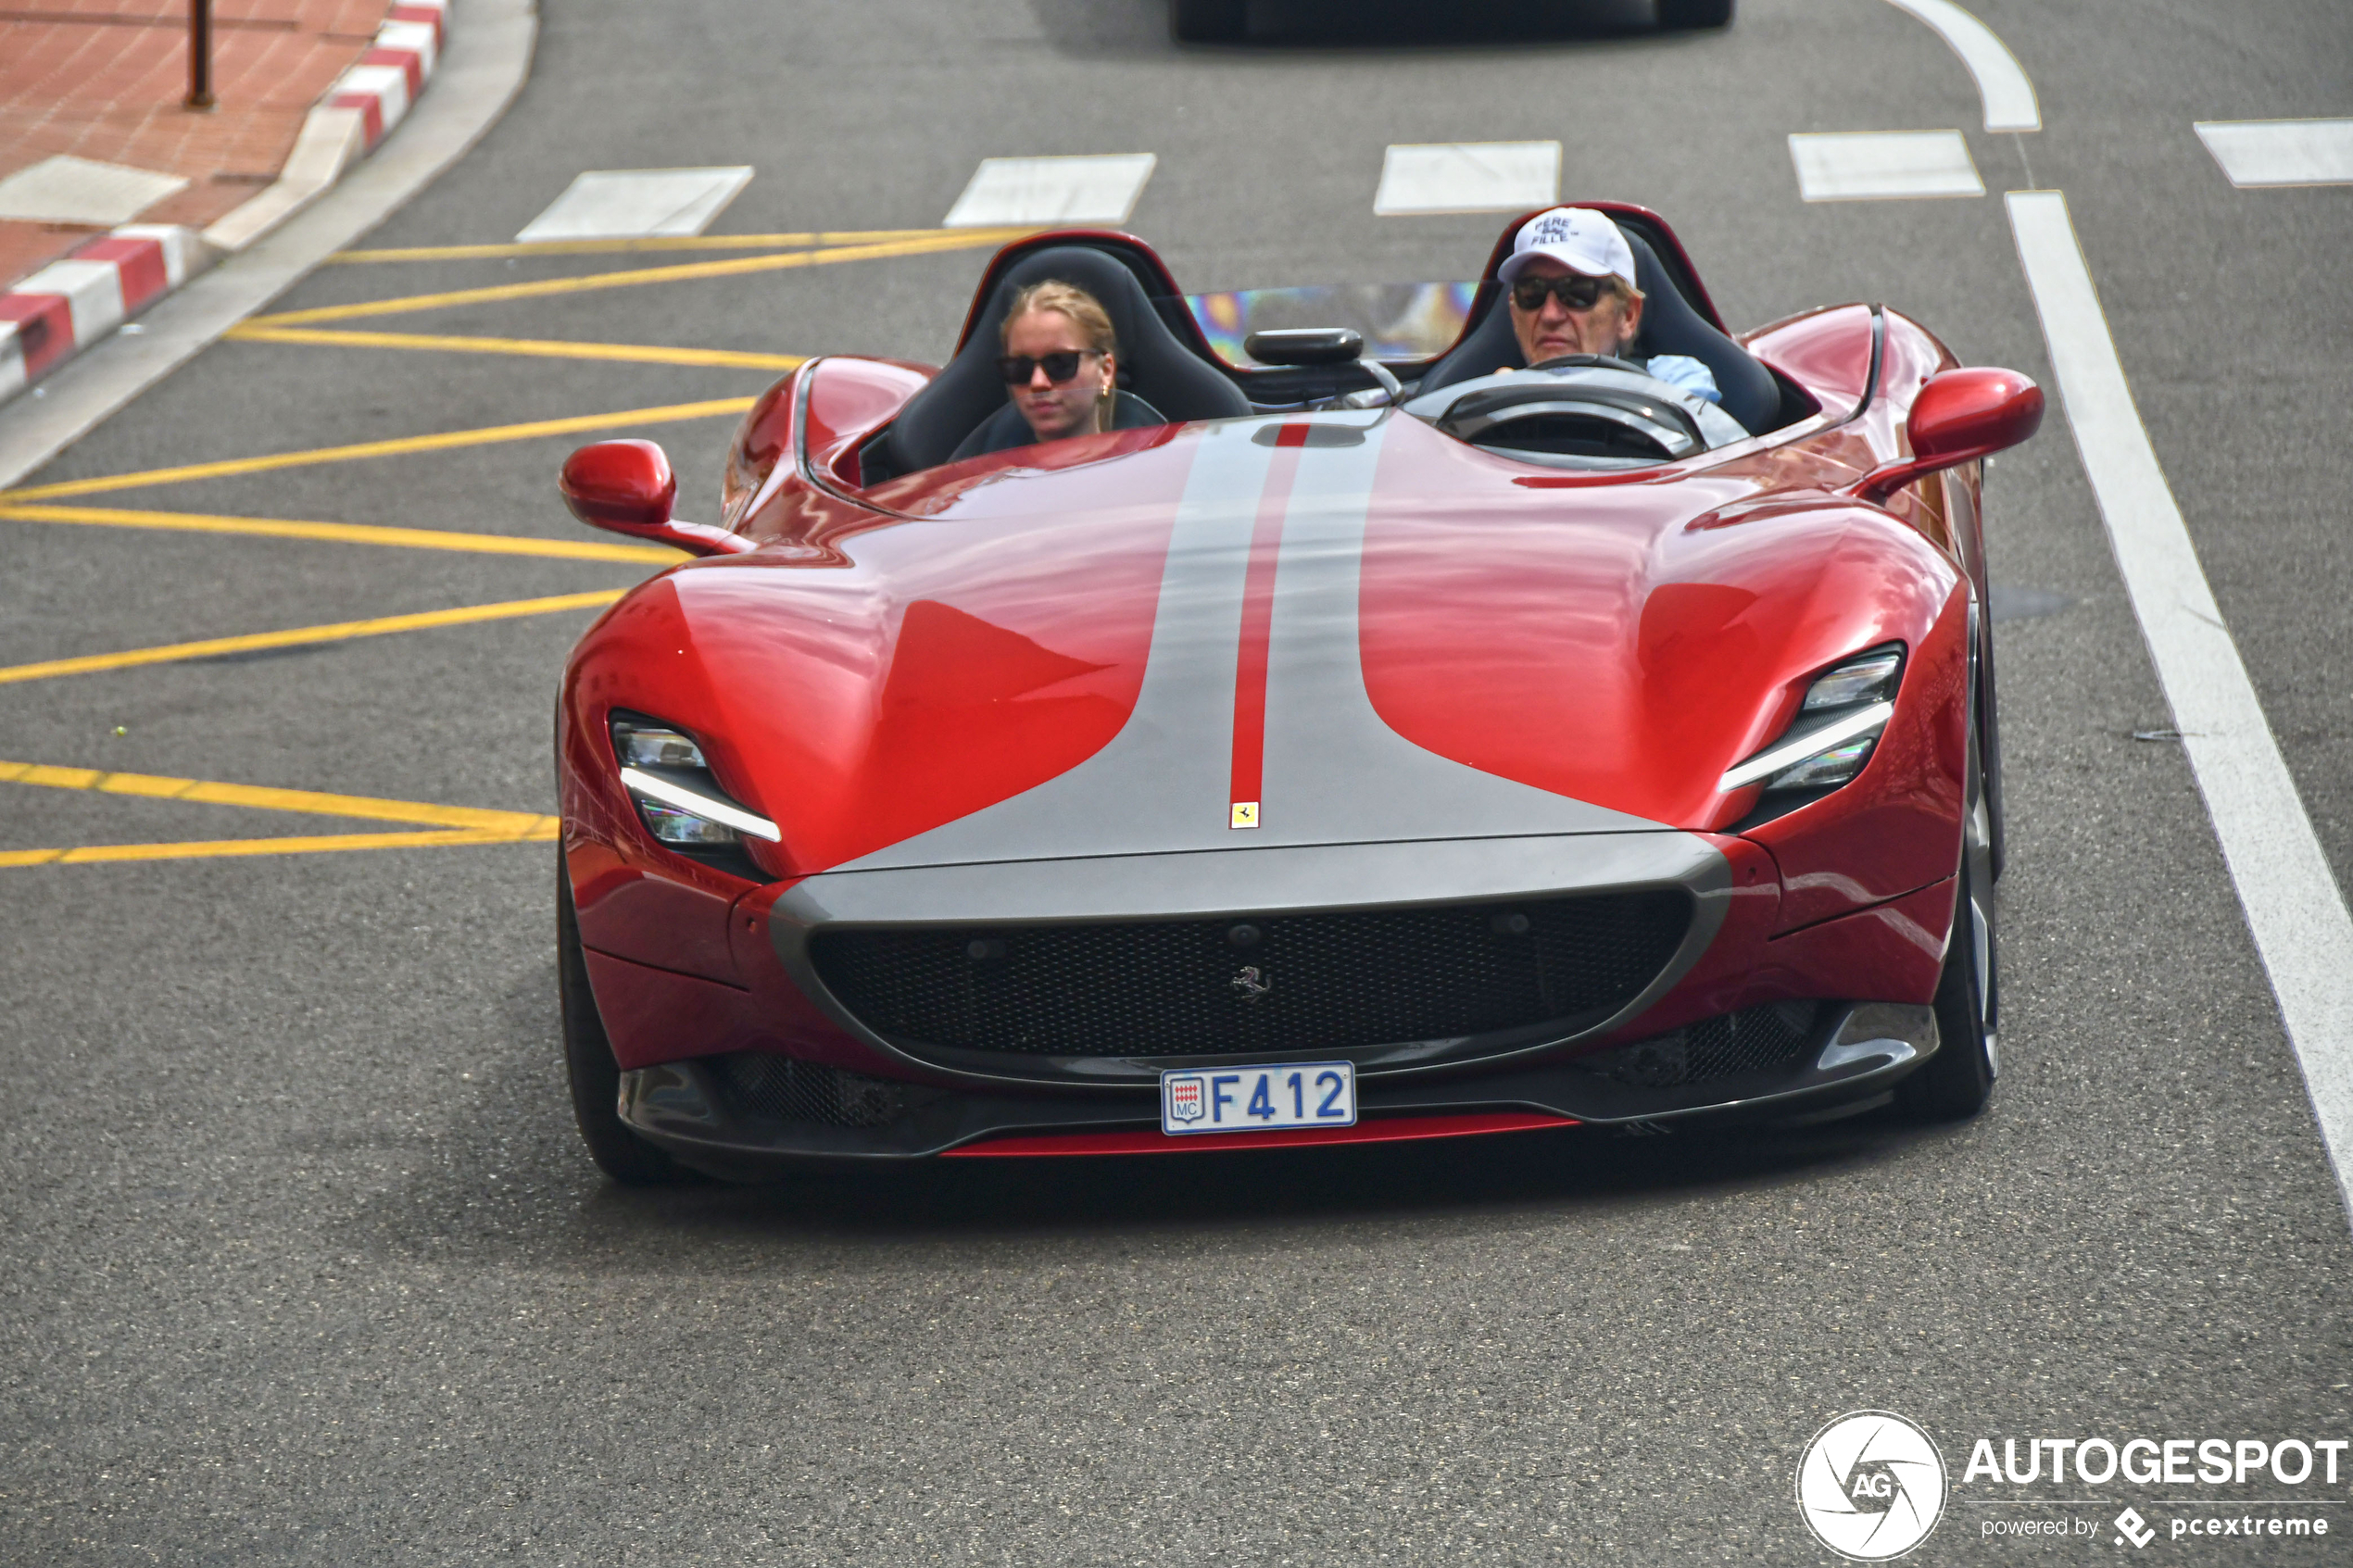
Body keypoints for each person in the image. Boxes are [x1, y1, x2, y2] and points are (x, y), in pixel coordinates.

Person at [1497, 207, 1722, 406]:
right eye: (1532, 293)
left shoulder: (1675, 381)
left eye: (1577, 293)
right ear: (1514, 315)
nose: (1550, 315)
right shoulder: (1486, 398)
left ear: (1628, 315)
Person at [950, 280, 1166, 461]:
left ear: (1106, 370)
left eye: (1060, 363)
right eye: (1019, 368)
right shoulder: (982, 485)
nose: (1038, 382)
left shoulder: (1149, 468)